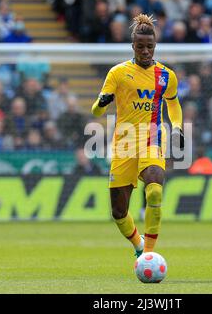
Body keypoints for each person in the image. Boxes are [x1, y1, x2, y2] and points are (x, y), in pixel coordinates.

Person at [91, 14, 184, 258]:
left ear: (155, 46)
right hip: (124, 142)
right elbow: (96, 110)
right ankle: (138, 245)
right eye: (140, 46)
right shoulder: (118, 73)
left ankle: (149, 255)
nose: (145, 51)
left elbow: (173, 104)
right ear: (133, 46)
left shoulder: (166, 76)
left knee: (154, 188)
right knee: (119, 212)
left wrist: (177, 127)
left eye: (149, 47)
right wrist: (101, 104)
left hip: (152, 137)